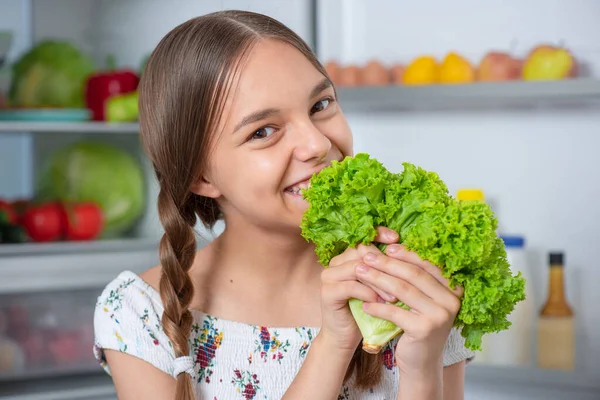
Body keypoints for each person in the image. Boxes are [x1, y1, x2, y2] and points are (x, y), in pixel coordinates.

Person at [93, 10, 474, 400]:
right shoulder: (139, 313)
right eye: (263, 131)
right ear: (201, 177)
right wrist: (333, 345)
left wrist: (423, 366)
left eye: (320, 105)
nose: (317, 144)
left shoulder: (415, 282)